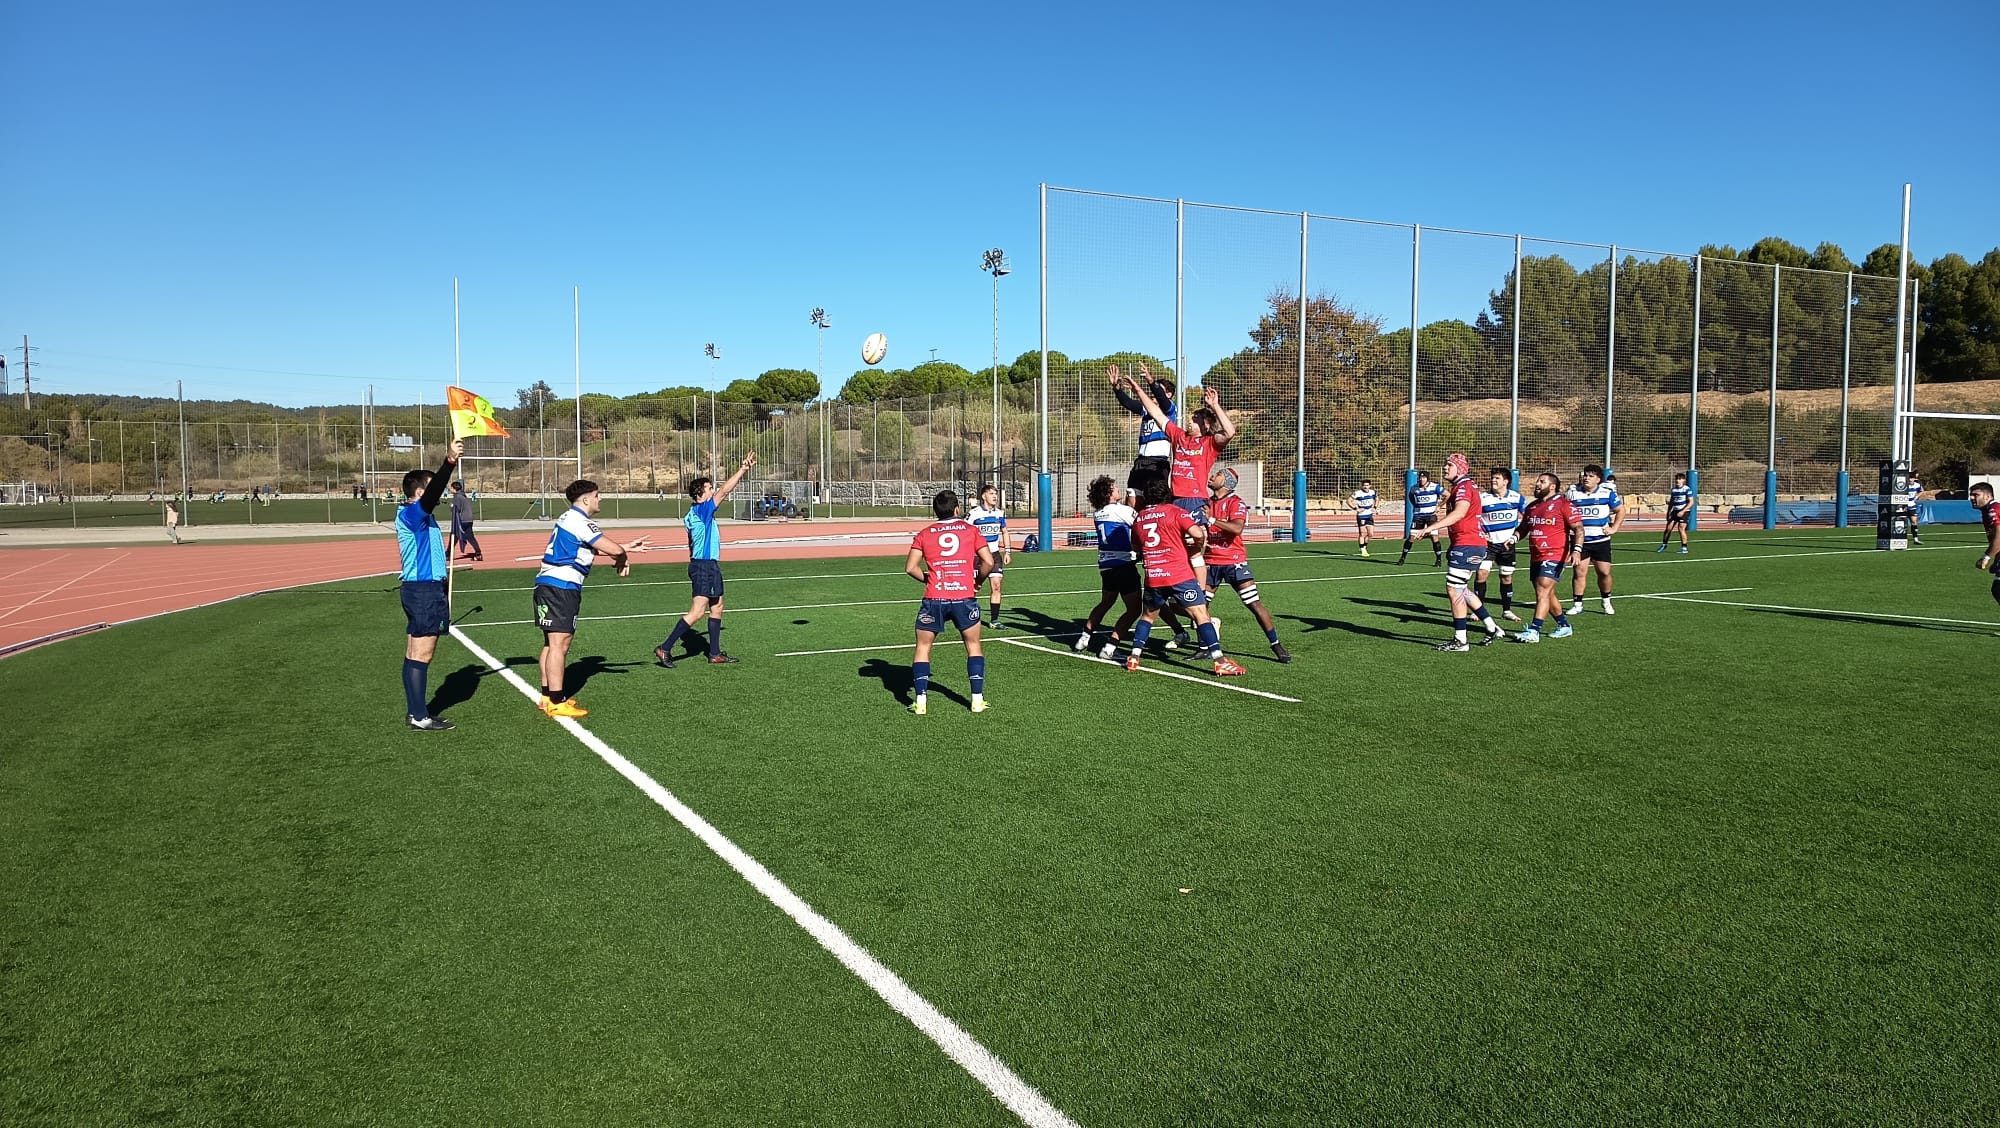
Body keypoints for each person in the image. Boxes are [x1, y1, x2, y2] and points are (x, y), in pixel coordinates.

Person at [534, 479, 645, 718]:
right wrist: (622, 556)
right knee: (560, 644)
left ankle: (547, 697)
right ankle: (556, 701)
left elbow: (588, 548)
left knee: (551, 643)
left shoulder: (568, 519)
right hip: (562, 587)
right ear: (585, 499)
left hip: (549, 584)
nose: (599, 499)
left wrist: (624, 547)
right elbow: (612, 549)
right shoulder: (580, 521)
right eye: (597, 495)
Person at [1123, 476, 1243, 676]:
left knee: (1147, 617)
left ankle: (1134, 656)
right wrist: (1196, 544)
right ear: (1167, 493)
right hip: (1179, 575)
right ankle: (1220, 660)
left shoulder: (1140, 517)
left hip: (1154, 575)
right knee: (1201, 615)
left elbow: (1135, 547)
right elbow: (1197, 533)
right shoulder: (1176, 511)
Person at [654, 451, 758, 668]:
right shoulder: (702, 510)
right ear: (700, 494)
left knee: (717, 605)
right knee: (698, 611)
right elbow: (725, 491)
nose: (713, 491)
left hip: (705, 564)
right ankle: (665, 648)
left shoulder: (694, 513)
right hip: (704, 565)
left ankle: (715, 653)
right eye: (709, 488)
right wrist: (743, 469)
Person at [905, 490, 996, 715]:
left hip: (934, 597)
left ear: (935, 511)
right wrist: (978, 582)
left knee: (923, 647)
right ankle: (976, 700)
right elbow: (988, 561)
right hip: (964, 597)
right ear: (957, 509)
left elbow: (910, 568)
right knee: (973, 645)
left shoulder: (925, 533)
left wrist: (928, 579)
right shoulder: (970, 530)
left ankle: (921, 702)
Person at [396, 439, 464, 731]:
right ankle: (419, 716)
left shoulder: (420, 517)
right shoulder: (413, 514)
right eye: (433, 487)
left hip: (423, 589)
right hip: (424, 590)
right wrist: (449, 461)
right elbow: (434, 491)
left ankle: (416, 712)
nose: (441, 492)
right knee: (422, 654)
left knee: (414, 653)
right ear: (421, 492)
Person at [1204, 465, 1293, 663]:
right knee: (1199, 606)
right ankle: (1206, 645)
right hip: (1210, 560)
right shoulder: (1206, 502)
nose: (1212, 476)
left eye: (1217, 474)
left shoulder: (1236, 503)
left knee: (1253, 603)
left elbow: (1236, 528)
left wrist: (1211, 519)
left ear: (1227, 482)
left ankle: (1276, 644)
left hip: (1234, 561)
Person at [1426, 452, 1505, 652]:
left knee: (1453, 589)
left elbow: (1460, 513)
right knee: (1461, 588)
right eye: (1445, 464)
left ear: (1460, 468)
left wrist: (1431, 528)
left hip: (1467, 544)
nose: (1445, 468)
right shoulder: (1462, 486)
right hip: (1468, 543)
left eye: (1450, 465)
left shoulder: (1463, 487)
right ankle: (1491, 627)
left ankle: (1461, 640)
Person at [1073, 474, 1142, 660]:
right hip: (1123, 563)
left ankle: (1084, 637)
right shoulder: (1122, 510)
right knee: (1135, 609)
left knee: (1106, 602)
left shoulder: (1099, 512)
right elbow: (1141, 525)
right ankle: (1110, 647)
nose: (1118, 488)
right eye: (1114, 487)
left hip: (1106, 565)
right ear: (1109, 492)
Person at [1513, 472, 1583, 643]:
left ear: (1552, 486)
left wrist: (1577, 550)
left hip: (1555, 554)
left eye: (1542, 481)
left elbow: (1579, 528)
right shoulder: (1532, 506)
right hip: (1536, 555)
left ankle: (1534, 631)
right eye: (1538, 481)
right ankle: (1564, 625)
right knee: (1547, 593)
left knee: (1542, 590)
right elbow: (1524, 528)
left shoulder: (1564, 504)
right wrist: (1513, 538)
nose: (1537, 484)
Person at [1109, 362, 1177, 503]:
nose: (1153, 395)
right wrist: (1117, 388)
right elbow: (1127, 402)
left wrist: (1150, 380)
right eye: (1152, 392)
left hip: (1157, 463)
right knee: (1132, 501)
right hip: (1141, 461)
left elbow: (1161, 397)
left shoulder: (1169, 410)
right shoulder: (1146, 409)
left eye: (1158, 391)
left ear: (1169, 394)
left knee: (1156, 502)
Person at [1567, 464, 1623, 615]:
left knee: (1604, 572)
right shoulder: (1573, 493)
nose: (1586, 478)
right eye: (1585, 475)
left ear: (1598, 479)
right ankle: (1577, 604)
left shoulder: (1607, 493)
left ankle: (1606, 600)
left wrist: (1614, 528)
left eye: (1591, 476)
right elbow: (1565, 513)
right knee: (1579, 572)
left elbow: (1620, 510)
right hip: (1580, 542)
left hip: (1600, 541)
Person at [1475, 468, 1525, 623]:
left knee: (1506, 577)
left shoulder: (1517, 498)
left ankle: (1507, 611)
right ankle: (1478, 610)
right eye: (1492, 477)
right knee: (1481, 574)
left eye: (1497, 478)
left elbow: (1528, 519)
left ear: (1506, 481)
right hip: (1488, 544)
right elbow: (1474, 518)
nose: (1493, 480)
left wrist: (1515, 537)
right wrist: (1481, 533)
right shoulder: (1483, 498)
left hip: (1507, 545)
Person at [966, 484, 1011, 629]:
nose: (995, 496)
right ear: (984, 496)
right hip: (978, 556)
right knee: (974, 587)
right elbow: (964, 532)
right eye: (991, 493)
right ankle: (967, 617)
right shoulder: (974, 513)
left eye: (995, 493)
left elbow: (1004, 532)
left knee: (996, 586)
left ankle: (994, 620)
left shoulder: (1000, 513)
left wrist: (1007, 551)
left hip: (995, 554)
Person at [1397, 470, 1445, 567]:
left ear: (1427, 479)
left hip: (1431, 516)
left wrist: (1440, 506)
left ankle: (1438, 560)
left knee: (1434, 537)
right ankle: (1402, 558)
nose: (1421, 479)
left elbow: (1447, 494)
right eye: (1420, 477)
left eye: (1423, 477)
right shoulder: (1414, 488)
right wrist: (1415, 505)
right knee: (1412, 537)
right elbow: (1410, 495)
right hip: (1418, 516)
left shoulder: (1435, 487)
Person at [1973, 482, 2000, 612]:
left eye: (1976, 495)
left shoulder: (1993, 510)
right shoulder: (1988, 510)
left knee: (1998, 589)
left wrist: (1986, 557)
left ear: (1988, 496)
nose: (1972, 498)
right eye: (1971, 495)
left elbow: (1999, 537)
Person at [1659, 472, 1693, 554]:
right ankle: (1664, 544)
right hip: (1675, 511)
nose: (1678, 480)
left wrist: (1682, 511)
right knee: (1668, 528)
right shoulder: (1673, 490)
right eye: (1677, 479)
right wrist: (1668, 512)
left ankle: (1684, 548)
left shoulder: (1687, 489)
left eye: (1680, 479)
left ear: (1683, 480)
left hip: (1684, 511)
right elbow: (1671, 502)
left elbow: (1691, 502)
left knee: (1681, 528)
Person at [449, 480, 483, 561]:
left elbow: (456, 509)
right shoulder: (464, 496)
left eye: (451, 488)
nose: (450, 489)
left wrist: (451, 506)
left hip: (462, 520)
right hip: (469, 519)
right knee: (470, 537)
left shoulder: (457, 497)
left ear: (454, 488)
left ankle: (448, 553)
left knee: (454, 535)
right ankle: (478, 553)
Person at [1351, 480, 1378, 556]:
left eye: (1367, 485)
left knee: (1371, 534)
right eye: (1364, 485)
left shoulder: (1373, 492)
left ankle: (1364, 546)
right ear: (1362, 486)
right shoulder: (1357, 493)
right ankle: (1363, 549)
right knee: (1362, 533)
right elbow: (1348, 501)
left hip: (1369, 515)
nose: (1366, 487)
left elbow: (1377, 499)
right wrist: (1355, 509)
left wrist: (1375, 507)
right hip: (1361, 515)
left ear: (1370, 486)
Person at [1907, 472, 1925, 545]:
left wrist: (1916, 497)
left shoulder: (1917, 485)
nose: (1910, 480)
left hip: (1912, 505)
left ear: (1914, 479)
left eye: (1912, 478)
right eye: (1909, 478)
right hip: (1903, 505)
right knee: (1901, 521)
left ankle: (1915, 539)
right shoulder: (1904, 485)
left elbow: (1921, 491)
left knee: (1914, 521)